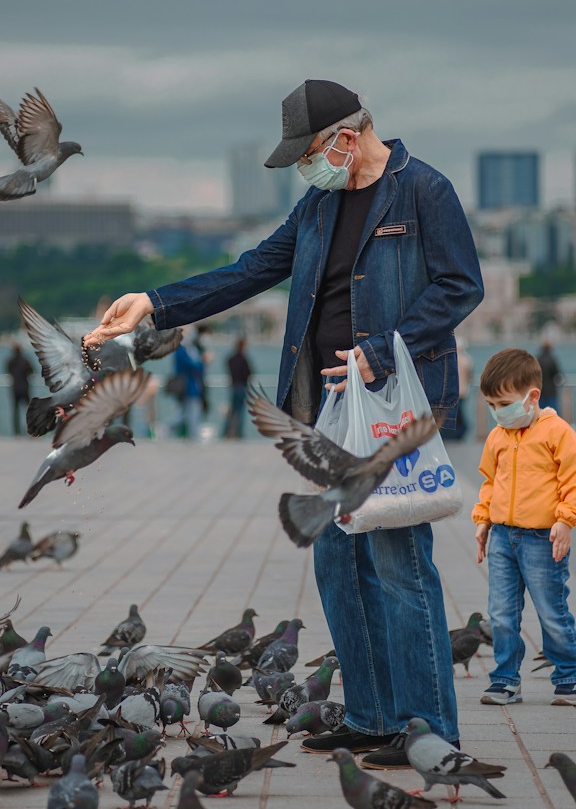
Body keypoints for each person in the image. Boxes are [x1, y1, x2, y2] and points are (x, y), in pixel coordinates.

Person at [84, 78, 484, 765]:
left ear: (347, 140)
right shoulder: (319, 204)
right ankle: (370, 715)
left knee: (398, 561)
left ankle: (428, 731)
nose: (307, 168)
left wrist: (384, 351)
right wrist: (152, 301)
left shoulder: (425, 191)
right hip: (323, 408)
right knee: (336, 558)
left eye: (309, 154)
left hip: (391, 407)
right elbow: (253, 268)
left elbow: (460, 284)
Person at [472, 348, 576, 707]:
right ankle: (505, 680)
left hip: (541, 539)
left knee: (552, 612)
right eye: (491, 404)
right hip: (502, 535)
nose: (497, 412)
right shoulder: (498, 435)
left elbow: (572, 481)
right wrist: (482, 521)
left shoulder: (558, 432)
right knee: (500, 613)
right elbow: (489, 481)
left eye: (503, 403)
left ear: (532, 397)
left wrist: (565, 520)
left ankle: (569, 677)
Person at [171, 329, 206, 440]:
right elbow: (191, 366)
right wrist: (202, 362)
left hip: (193, 387)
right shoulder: (181, 350)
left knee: (187, 413)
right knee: (189, 413)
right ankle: (192, 436)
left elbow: (197, 367)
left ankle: (192, 435)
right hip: (187, 387)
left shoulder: (191, 349)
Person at [224, 336, 253, 439]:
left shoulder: (231, 359)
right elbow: (249, 372)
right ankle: (239, 433)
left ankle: (227, 432)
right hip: (242, 387)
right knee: (240, 412)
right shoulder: (243, 359)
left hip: (233, 386)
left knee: (232, 411)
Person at [5, 343, 34, 436]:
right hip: (25, 388)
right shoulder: (25, 361)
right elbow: (32, 370)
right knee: (28, 410)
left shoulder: (10, 361)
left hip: (15, 388)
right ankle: (29, 429)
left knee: (15, 411)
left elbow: (7, 370)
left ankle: (16, 431)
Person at [448, 337, 473, 440]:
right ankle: (460, 434)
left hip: (452, 392)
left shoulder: (451, 359)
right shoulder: (467, 360)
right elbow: (469, 376)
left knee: (454, 415)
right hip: (463, 392)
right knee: (460, 414)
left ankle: (454, 435)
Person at [537, 339, 562, 412]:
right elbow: (557, 374)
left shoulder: (538, 359)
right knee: (553, 412)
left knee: (540, 412)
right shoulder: (552, 359)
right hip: (551, 390)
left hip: (540, 390)